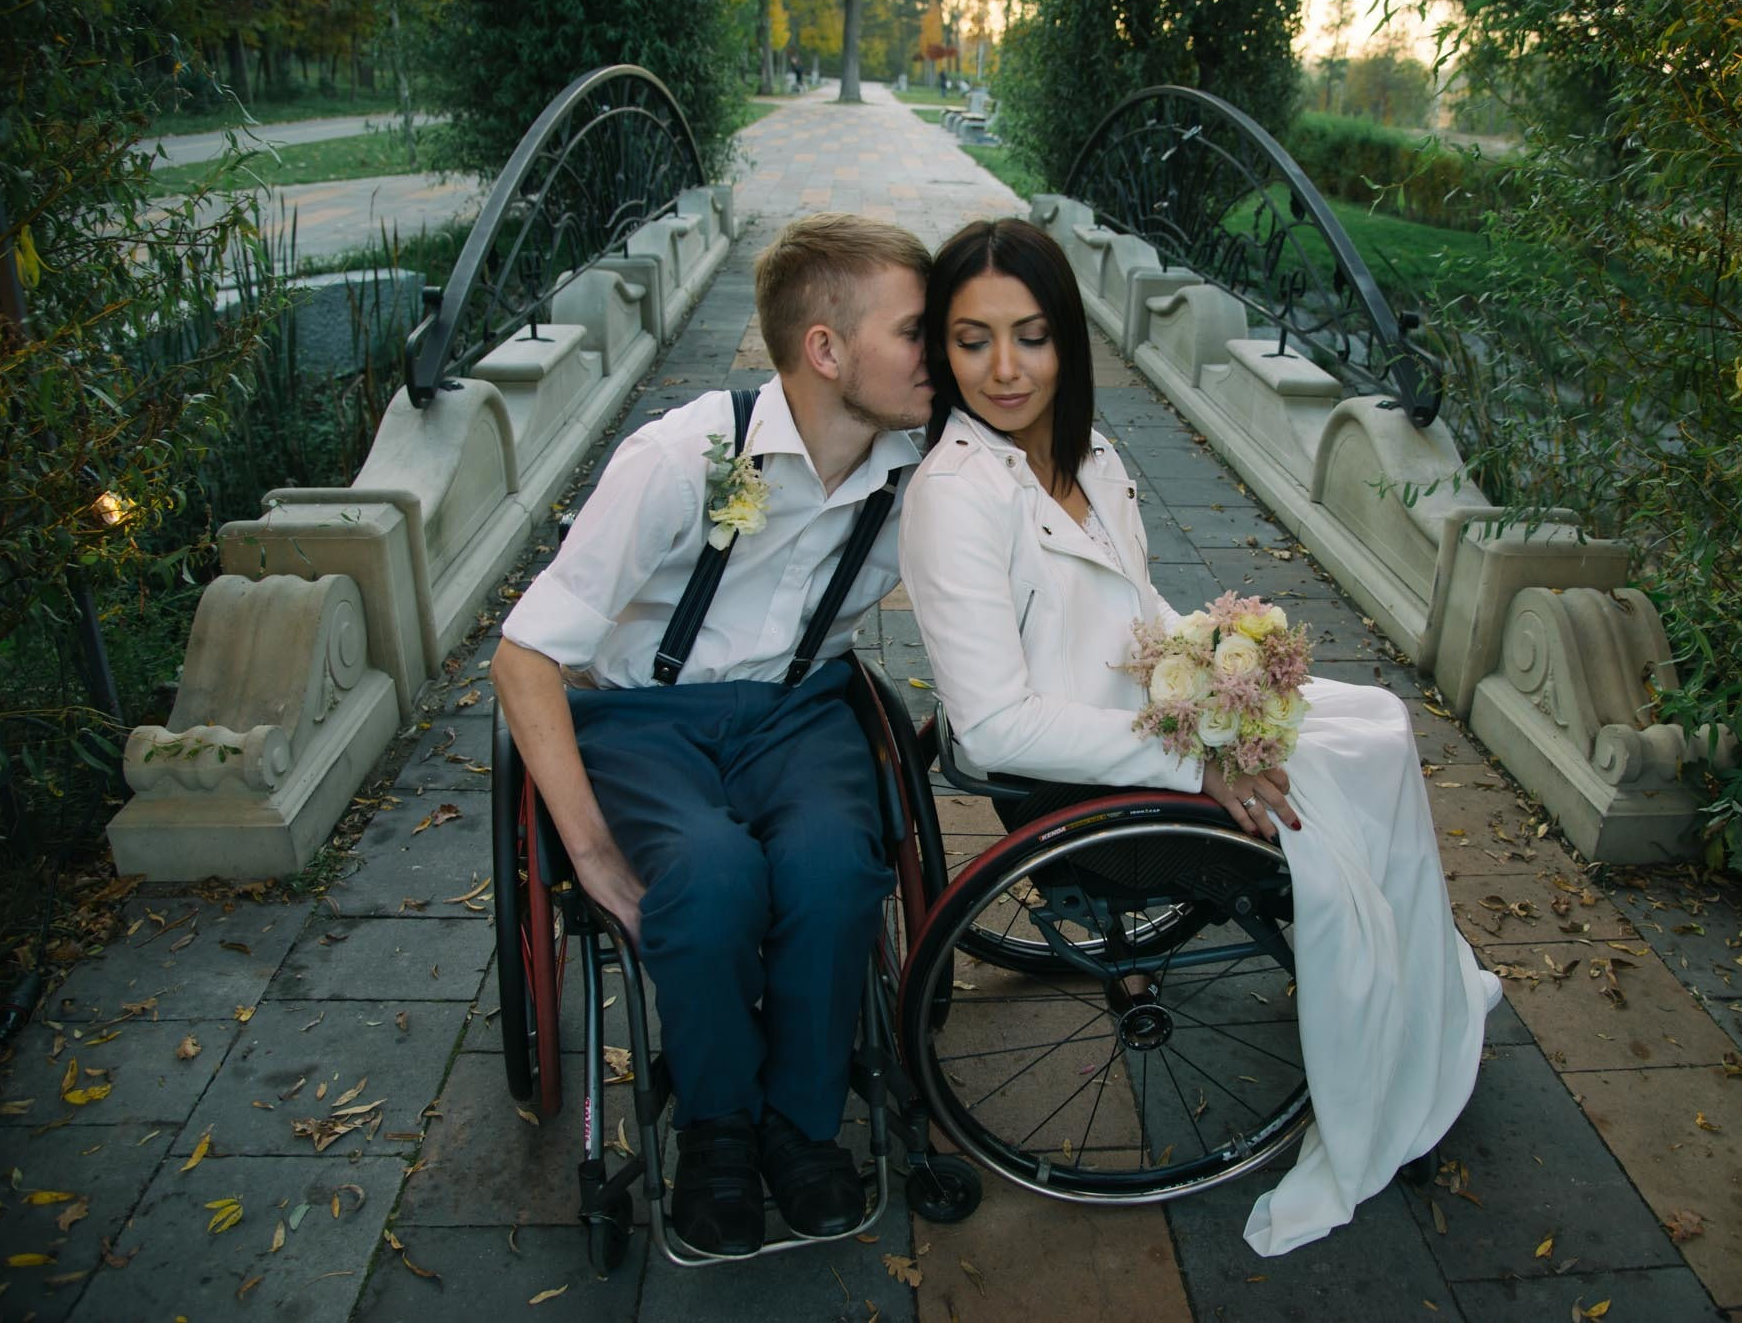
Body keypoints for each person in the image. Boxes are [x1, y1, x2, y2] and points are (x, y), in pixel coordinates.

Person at [897, 218, 1502, 1256]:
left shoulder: (1086, 452)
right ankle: (1382, 998)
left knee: (1376, 720)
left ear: (1066, 340)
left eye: (1031, 336)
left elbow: (1136, 612)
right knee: (1358, 759)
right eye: (972, 339)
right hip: (1087, 782)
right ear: (941, 351)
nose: (1004, 369)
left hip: (1157, 722)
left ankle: (1405, 974)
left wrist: (1223, 662)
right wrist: (1200, 753)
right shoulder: (955, 497)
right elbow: (996, 724)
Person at [492, 212, 933, 1258]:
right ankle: (718, 1128)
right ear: (825, 349)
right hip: (644, 718)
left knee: (833, 868)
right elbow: (525, 655)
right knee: (709, 875)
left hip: (800, 710)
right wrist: (591, 853)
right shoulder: (680, 456)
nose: (941, 354)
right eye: (917, 331)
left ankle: (801, 1126)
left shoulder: (921, 471)